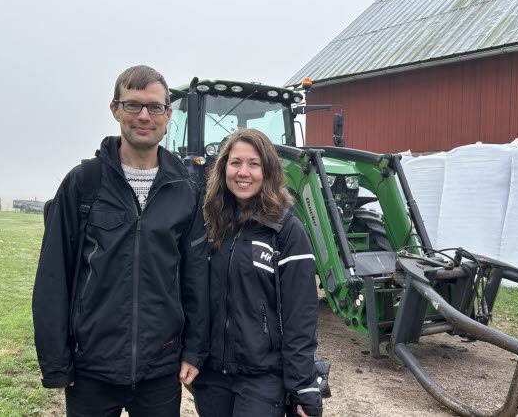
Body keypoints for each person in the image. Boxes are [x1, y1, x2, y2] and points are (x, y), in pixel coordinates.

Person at [32, 65, 209, 417]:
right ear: (115, 110)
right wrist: (57, 363)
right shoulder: (83, 184)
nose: (144, 116)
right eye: (132, 105)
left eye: (154, 107)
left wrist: (194, 350)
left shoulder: (187, 191)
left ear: (168, 114)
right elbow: (54, 277)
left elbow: (196, 279)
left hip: (159, 371)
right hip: (91, 371)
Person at [193, 128, 322, 417]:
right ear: (223, 167)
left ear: (268, 171)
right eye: (235, 162)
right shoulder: (208, 223)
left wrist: (303, 386)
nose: (243, 172)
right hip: (212, 375)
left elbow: (300, 315)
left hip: (262, 376)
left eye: (254, 164)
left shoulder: (286, 230)